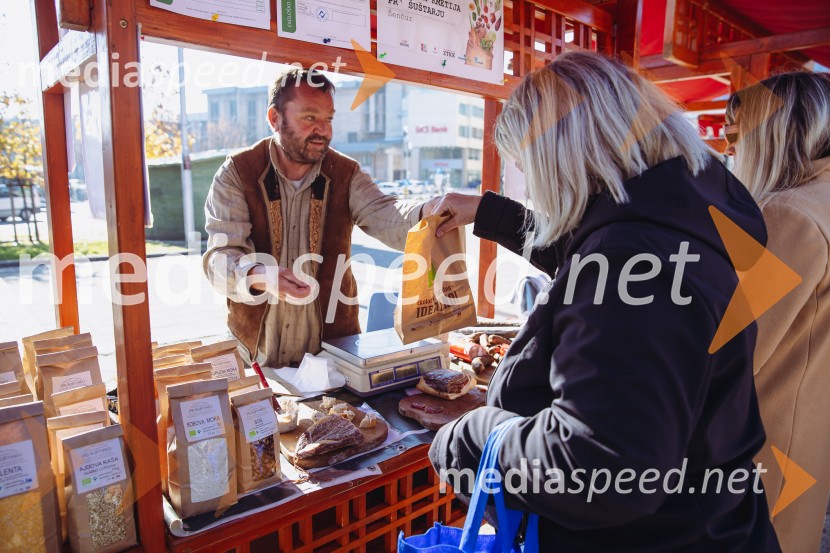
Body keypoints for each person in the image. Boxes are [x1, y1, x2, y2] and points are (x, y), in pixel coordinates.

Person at [423, 51, 781, 551]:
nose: (531, 183)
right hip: (710, 521)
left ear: (562, 158)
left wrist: (472, 437)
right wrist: (491, 213)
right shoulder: (681, 215)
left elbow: (598, 465)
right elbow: (586, 248)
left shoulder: (633, 258)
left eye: (527, 167)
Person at [203, 69, 423, 367]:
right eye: (310, 117)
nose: (324, 130)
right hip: (255, 358)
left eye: (329, 119)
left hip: (332, 359)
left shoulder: (346, 173)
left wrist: (434, 212)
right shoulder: (238, 173)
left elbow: (388, 216)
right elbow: (219, 259)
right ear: (274, 118)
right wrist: (259, 275)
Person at [726, 72, 830, 553]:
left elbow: (726, 351)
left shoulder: (787, 216)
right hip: (802, 437)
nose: (730, 151)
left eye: (737, 136)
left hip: (756, 451)